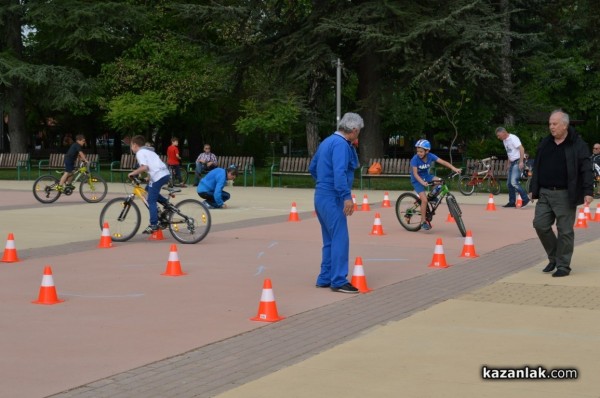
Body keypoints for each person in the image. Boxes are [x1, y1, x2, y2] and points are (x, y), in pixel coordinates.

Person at [530, 109, 594, 277]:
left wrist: (588, 191)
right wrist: (533, 189)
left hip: (565, 194)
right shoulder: (545, 142)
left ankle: (563, 266)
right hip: (544, 192)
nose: (551, 127)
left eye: (555, 124)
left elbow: (586, 169)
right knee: (540, 225)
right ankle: (554, 257)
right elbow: (537, 166)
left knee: (565, 230)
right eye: (550, 123)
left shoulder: (577, 144)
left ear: (564, 125)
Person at [309, 112, 363, 294]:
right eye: (359, 131)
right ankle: (338, 280)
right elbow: (340, 172)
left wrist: (323, 182)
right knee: (340, 238)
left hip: (321, 196)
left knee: (329, 239)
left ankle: (325, 277)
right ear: (354, 130)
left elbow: (313, 167)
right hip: (333, 197)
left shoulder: (327, 142)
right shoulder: (341, 145)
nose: (359, 135)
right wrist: (346, 196)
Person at [409, 139, 461, 231]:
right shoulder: (415, 159)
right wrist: (422, 182)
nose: (419, 153)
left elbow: (443, 162)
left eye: (421, 151)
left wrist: (454, 168)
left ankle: (432, 197)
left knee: (440, 182)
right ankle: (423, 222)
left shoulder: (430, 156)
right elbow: (415, 174)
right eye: (418, 151)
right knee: (424, 201)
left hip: (427, 176)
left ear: (427, 151)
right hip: (417, 180)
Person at [128, 135, 171, 234]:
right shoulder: (149, 151)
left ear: (135, 145)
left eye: (131, 145)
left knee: (150, 200)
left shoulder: (140, 153)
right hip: (164, 174)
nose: (131, 148)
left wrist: (132, 173)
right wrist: (148, 177)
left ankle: (154, 224)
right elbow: (153, 165)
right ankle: (168, 206)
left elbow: (144, 167)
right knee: (147, 191)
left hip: (158, 176)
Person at [495, 127, 530, 208]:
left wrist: (521, 161)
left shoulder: (513, 138)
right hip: (512, 162)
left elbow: (521, 149)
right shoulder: (504, 141)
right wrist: (508, 163)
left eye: (499, 135)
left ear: (504, 132)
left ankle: (525, 198)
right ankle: (511, 202)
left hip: (518, 161)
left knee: (514, 182)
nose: (498, 137)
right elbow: (509, 152)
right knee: (509, 184)